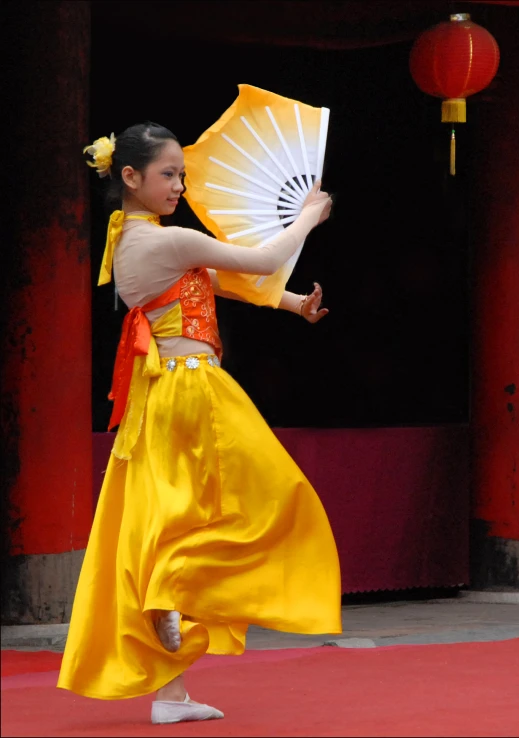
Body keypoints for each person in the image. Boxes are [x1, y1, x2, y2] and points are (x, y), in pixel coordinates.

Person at [57, 121, 342, 725]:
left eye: (182, 175)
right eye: (168, 174)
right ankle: (167, 589)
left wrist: (293, 304)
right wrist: (309, 217)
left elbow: (214, 282)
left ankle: (172, 693)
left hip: (160, 398)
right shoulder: (164, 240)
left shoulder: (138, 242)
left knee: (175, 515)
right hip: (191, 389)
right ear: (129, 177)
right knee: (268, 496)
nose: (179, 185)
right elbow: (263, 258)